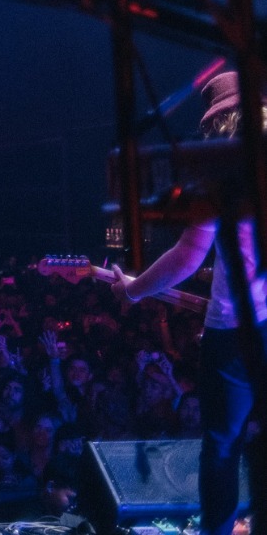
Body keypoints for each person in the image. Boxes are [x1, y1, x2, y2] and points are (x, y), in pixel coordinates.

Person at [113, 70, 267, 535]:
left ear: (218, 124)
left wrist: (133, 289)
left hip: (237, 332)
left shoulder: (217, 177)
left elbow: (187, 254)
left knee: (223, 446)